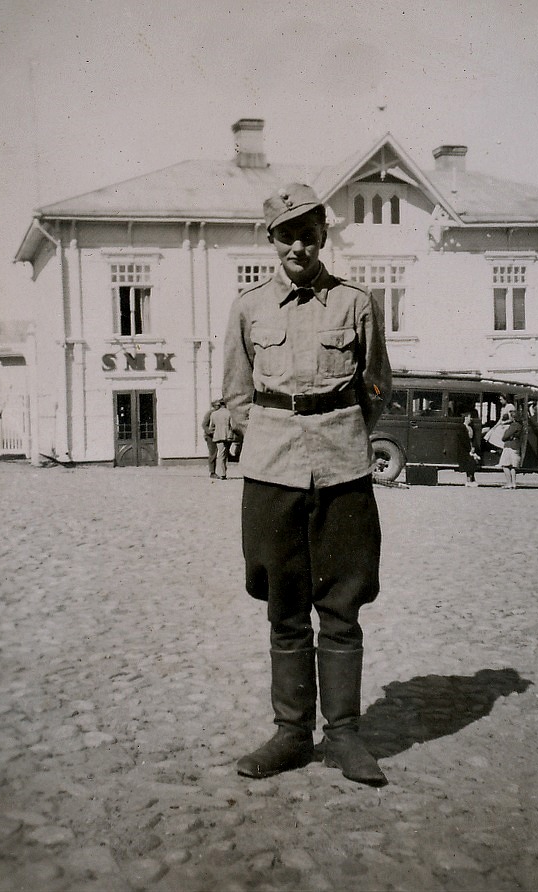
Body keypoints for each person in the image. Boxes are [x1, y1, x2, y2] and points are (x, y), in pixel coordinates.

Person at [223, 182, 392, 787]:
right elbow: (238, 397)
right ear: (272, 240)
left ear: (323, 237)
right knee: (284, 605)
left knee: (342, 604)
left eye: (309, 232)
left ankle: (343, 735)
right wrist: (277, 434)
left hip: (344, 466)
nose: (298, 243)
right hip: (271, 472)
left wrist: (338, 430)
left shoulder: (356, 303)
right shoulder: (248, 309)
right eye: (286, 233)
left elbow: (375, 387)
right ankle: (292, 734)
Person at [208, 399, 234, 480]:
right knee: (223, 455)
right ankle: (222, 473)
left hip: (218, 436)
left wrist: (215, 432)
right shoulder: (229, 413)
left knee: (222, 454)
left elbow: (211, 427)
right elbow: (233, 425)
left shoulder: (214, 414)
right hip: (228, 436)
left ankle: (222, 472)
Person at [499, 407, 522, 489]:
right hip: (516, 446)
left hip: (509, 446)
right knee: (513, 466)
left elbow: (504, 437)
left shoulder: (513, 425)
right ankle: (514, 483)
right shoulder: (519, 425)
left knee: (505, 465)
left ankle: (509, 483)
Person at [457, 410, 481, 486]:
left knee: (472, 461)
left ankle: (471, 479)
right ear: (466, 418)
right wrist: (469, 449)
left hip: (469, 447)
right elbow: (463, 440)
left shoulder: (470, 427)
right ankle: (469, 480)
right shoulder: (462, 427)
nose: (471, 419)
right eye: (470, 417)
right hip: (464, 449)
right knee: (470, 461)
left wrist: (473, 447)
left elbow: (473, 439)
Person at [202, 400, 220, 478]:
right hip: (211, 437)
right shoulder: (210, 413)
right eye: (217, 405)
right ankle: (212, 472)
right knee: (213, 453)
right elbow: (204, 425)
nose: (219, 407)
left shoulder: (219, 413)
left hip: (219, 435)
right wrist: (210, 432)